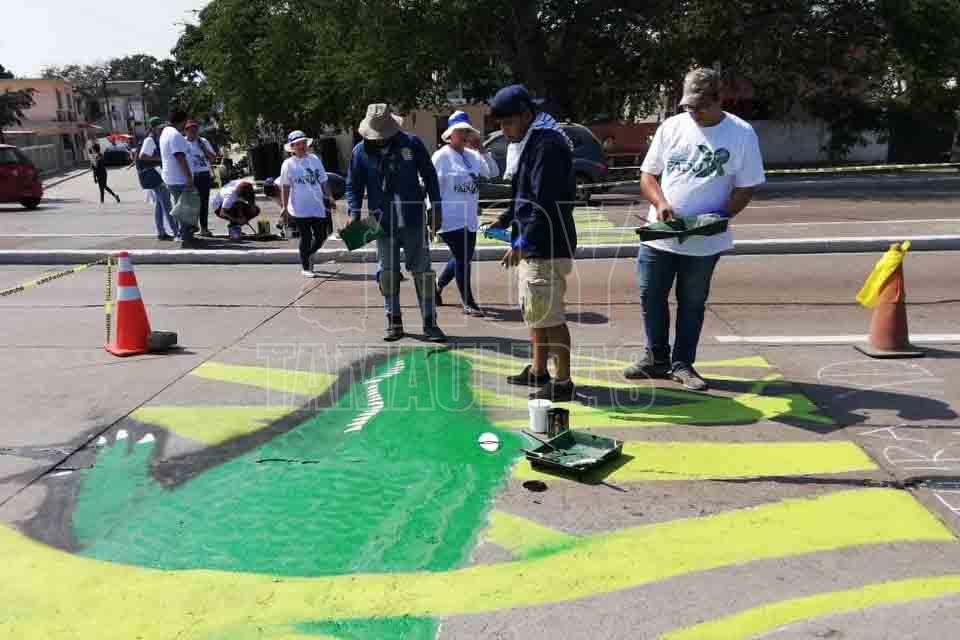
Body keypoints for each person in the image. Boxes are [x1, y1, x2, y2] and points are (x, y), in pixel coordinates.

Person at [624, 67, 765, 391]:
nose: (693, 113)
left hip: (704, 241)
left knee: (691, 302)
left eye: (700, 107)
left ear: (719, 99)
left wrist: (720, 216)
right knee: (650, 295)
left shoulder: (741, 134)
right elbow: (648, 176)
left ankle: (682, 363)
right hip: (660, 234)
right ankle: (656, 357)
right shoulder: (672, 127)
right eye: (688, 106)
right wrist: (660, 203)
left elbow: (746, 187)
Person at [485, 85, 578, 402]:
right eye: (500, 124)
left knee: (550, 316)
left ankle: (563, 382)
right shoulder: (530, 141)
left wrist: (523, 241)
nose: (504, 130)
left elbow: (544, 201)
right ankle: (538, 370)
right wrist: (505, 218)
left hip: (546, 245)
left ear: (526, 115)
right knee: (535, 312)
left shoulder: (546, 146)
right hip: (537, 243)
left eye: (508, 122)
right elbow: (525, 195)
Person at [346, 103, 445, 342]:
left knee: (423, 273)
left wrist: (436, 205)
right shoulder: (360, 152)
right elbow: (353, 185)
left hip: (413, 219)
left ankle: (430, 322)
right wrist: (354, 213)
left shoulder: (412, 143)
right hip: (380, 222)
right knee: (387, 274)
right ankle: (394, 320)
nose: (380, 139)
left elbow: (429, 174)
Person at [431, 111, 499, 316]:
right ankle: (468, 302)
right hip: (449, 218)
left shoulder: (473, 156)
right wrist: (432, 214)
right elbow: (430, 186)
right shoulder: (441, 156)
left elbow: (493, 172)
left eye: (466, 131)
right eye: (459, 131)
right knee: (462, 258)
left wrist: (482, 150)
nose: (463, 135)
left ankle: (437, 285)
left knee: (462, 258)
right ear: (450, 134)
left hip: (469, 218)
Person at [277, 131, 336, 277]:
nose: (301, 146)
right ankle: (305, 267)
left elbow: (323, 180)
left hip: (317, 206)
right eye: (298, 144)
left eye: (303, 143)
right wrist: (284, 207)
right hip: (299, 208)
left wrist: (330, 196)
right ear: (292, 147)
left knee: (322, 236)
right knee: (306, 237)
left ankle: (309, 254)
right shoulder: (288, 164)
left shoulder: (315, 159)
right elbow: (285, 186)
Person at [159, 108, 196, 247]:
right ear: (182, 121)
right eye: (186, 121)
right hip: (179, 178)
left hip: (172, 177)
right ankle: (185, 237)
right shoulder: (175, 135)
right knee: (185, 209)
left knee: (180, 207)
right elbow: (179, 157)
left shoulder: (165, 132)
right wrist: (189, 178)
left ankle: (183, 234)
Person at [137, 116, 178, 240]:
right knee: (167, 204)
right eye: (160, 127)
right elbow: (142, 156)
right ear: (153, 128)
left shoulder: (156, 139)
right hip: (155, 176)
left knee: (160, 205)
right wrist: (161, 159)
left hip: (156, 175)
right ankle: (176, 232)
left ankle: (161, 232)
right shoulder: (150, 140)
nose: (162, 129)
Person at [185, 121, 217, 237]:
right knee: (191, 203)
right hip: (191, 175)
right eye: (191, 130)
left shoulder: (203, 141)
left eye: (195, 130)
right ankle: (191, 228)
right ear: (186, 131)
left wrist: (203, 148)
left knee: (204, 203)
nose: (194, 133)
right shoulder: (183, 142)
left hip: (204, 174)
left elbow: (213, 158)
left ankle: (204, 228)